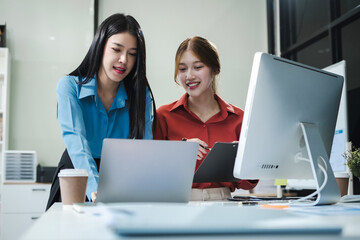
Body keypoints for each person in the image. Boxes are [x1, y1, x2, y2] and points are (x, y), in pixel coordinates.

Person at [46, 13, 155, 210]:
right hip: (77, 176)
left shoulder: (142, 95)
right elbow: (76, 142)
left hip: (120, 178)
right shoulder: (69, 87)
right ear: (100, 46)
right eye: (116, 49)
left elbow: (143, 148)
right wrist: (96, 189)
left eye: (132, 54)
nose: (123, 60)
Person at [153, 36, 258, 201]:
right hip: (177, 204)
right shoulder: (163, 116)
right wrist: (179, 153)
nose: (189, 76)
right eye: (182, 69)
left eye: (197, 67)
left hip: (224, 203)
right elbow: (151, 172)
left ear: (214, 69)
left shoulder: (239, 118)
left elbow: (248, 183)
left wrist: (243, 162)